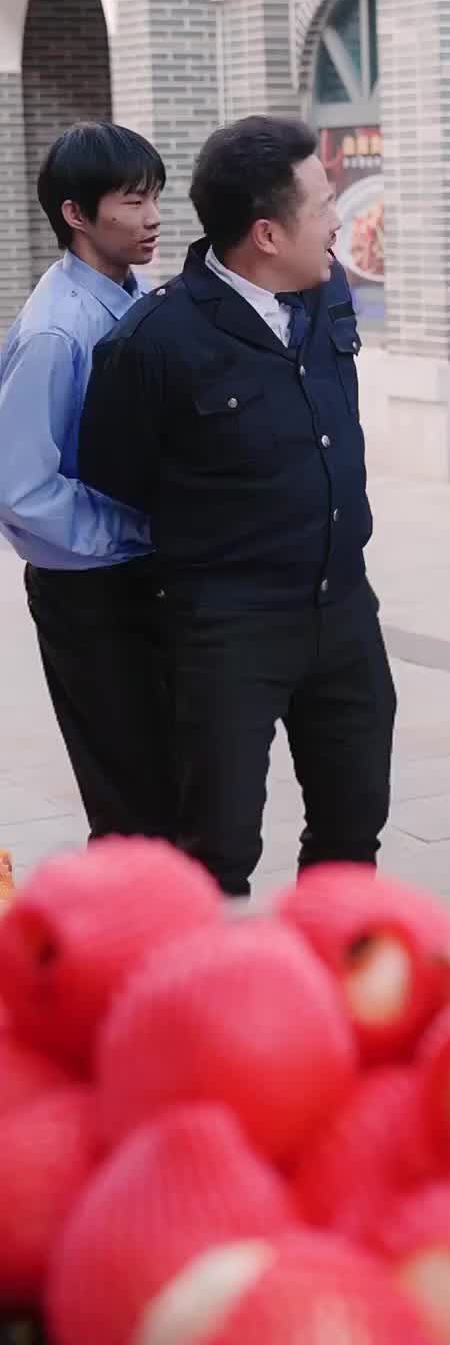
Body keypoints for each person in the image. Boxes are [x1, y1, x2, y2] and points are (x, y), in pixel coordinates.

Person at [78, 116, 395, 898]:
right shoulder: (155, 341)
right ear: (267, 233)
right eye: (323, 204)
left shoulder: (325, 294)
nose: (337, 220)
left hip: (343, 611)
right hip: (227, 630)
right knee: (216, 849)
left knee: (354, 824)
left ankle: (327, 969)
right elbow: (117, 474)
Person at [0, 123, 173, 842]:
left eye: (154, 196)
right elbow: (20, 489)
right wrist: (137, 529)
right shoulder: (56, 331)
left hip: (143, 577)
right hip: (92, 594)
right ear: (75, 213)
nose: (153, 217)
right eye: (132, 201)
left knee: (171, 789)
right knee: (130, 803)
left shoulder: (136, 295)